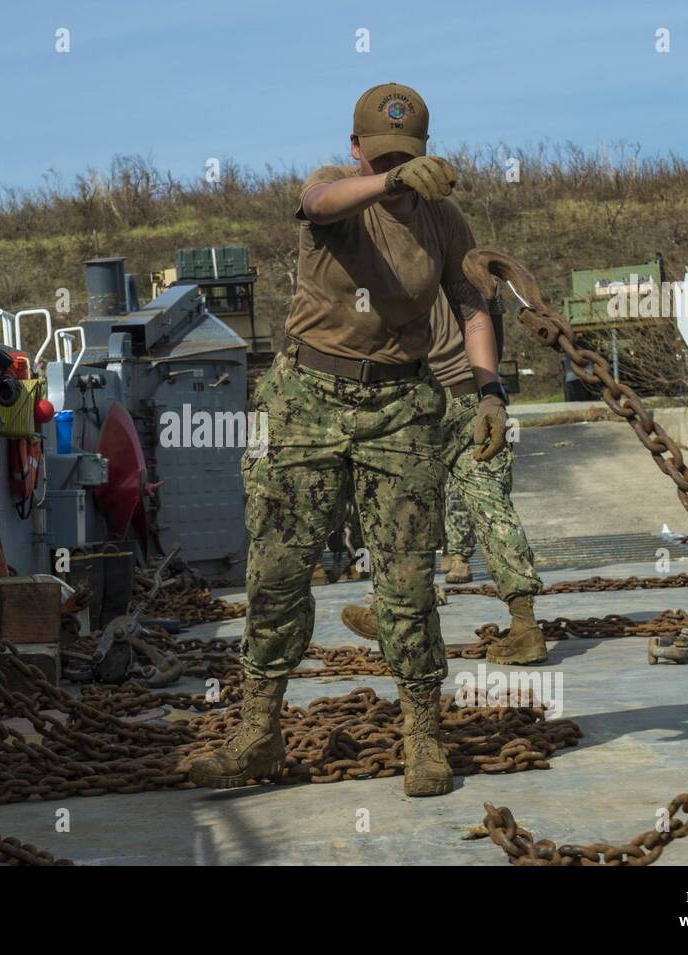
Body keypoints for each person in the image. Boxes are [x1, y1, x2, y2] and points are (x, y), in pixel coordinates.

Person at [187, 82, 507, 797]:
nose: (398, 173)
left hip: (399, 402)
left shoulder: (443, 220)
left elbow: (471, 303)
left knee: (405, 582)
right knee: (276, 572)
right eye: (384, 155)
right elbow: (319, 202)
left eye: (409, 158)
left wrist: (488, 389)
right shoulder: (335, 189)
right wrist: (385, 180)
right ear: (356, 147)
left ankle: (422, 733)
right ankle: (260, 729)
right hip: (306, 397)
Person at [340, 290, 549, 666]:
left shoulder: (397, 266)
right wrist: (492, 397)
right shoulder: (462, 265)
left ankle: (392, 617)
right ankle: (525, 626)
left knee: (400, 515)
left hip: (418, 405)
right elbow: (489, 328)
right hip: (473, 400)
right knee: (493, 510)